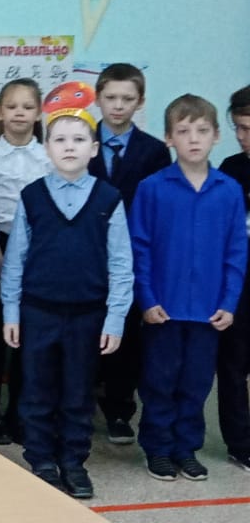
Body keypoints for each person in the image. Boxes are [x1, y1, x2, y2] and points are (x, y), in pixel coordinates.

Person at [0, 104, 133, 499]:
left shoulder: (109, 198)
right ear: (47, 148)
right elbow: (16, 260)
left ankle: (74, 461)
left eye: (78, 139)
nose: (69, 146)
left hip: (87, 315)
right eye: (60, 139)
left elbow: (121, 263)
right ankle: (41, 459)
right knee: (37, 392)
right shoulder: (32, 196)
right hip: (38, 311)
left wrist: (115, 318)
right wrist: (11, 311)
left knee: (78, 394)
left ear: (94, 148)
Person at [132, 94, 246, 482]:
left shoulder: (229, 190)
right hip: (163, 308)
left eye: (202, 130)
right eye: (183, 131)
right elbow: (140, 247)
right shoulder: (152, 188)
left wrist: (229, 302)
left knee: (196, 384)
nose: (193, 139)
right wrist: (147, 299)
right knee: (159, 381)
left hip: (209, 310)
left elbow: (236, 251)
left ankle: (186, 448)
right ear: (168, 138)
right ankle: (158, 448)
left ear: (216, 136)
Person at [87, 63, 172, 446]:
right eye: (111, 97)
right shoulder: (79, 139)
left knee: (127, 334)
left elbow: (156, 208)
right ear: (98, 98)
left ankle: (120, 409)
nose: (118, 106)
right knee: (86, 328)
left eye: (127, 98)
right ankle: (82, 403)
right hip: (85, 252)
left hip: (133, 254)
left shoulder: (154, 151)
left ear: (140, 101)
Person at [0, 78, 49, 445]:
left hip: (39, 247)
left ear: (39, 113)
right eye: (12, 106)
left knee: (28, 339)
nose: (20, 113)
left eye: (28, 107)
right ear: (1, 113)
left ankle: (20, 413)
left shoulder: (49, 157)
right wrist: (0, 259)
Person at [218, 84, 250, 471]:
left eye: (249, 129)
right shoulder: (230, 170)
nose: (242, 137)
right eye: (238, 127)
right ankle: (240, 443)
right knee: (232, 364)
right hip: (239, 280)